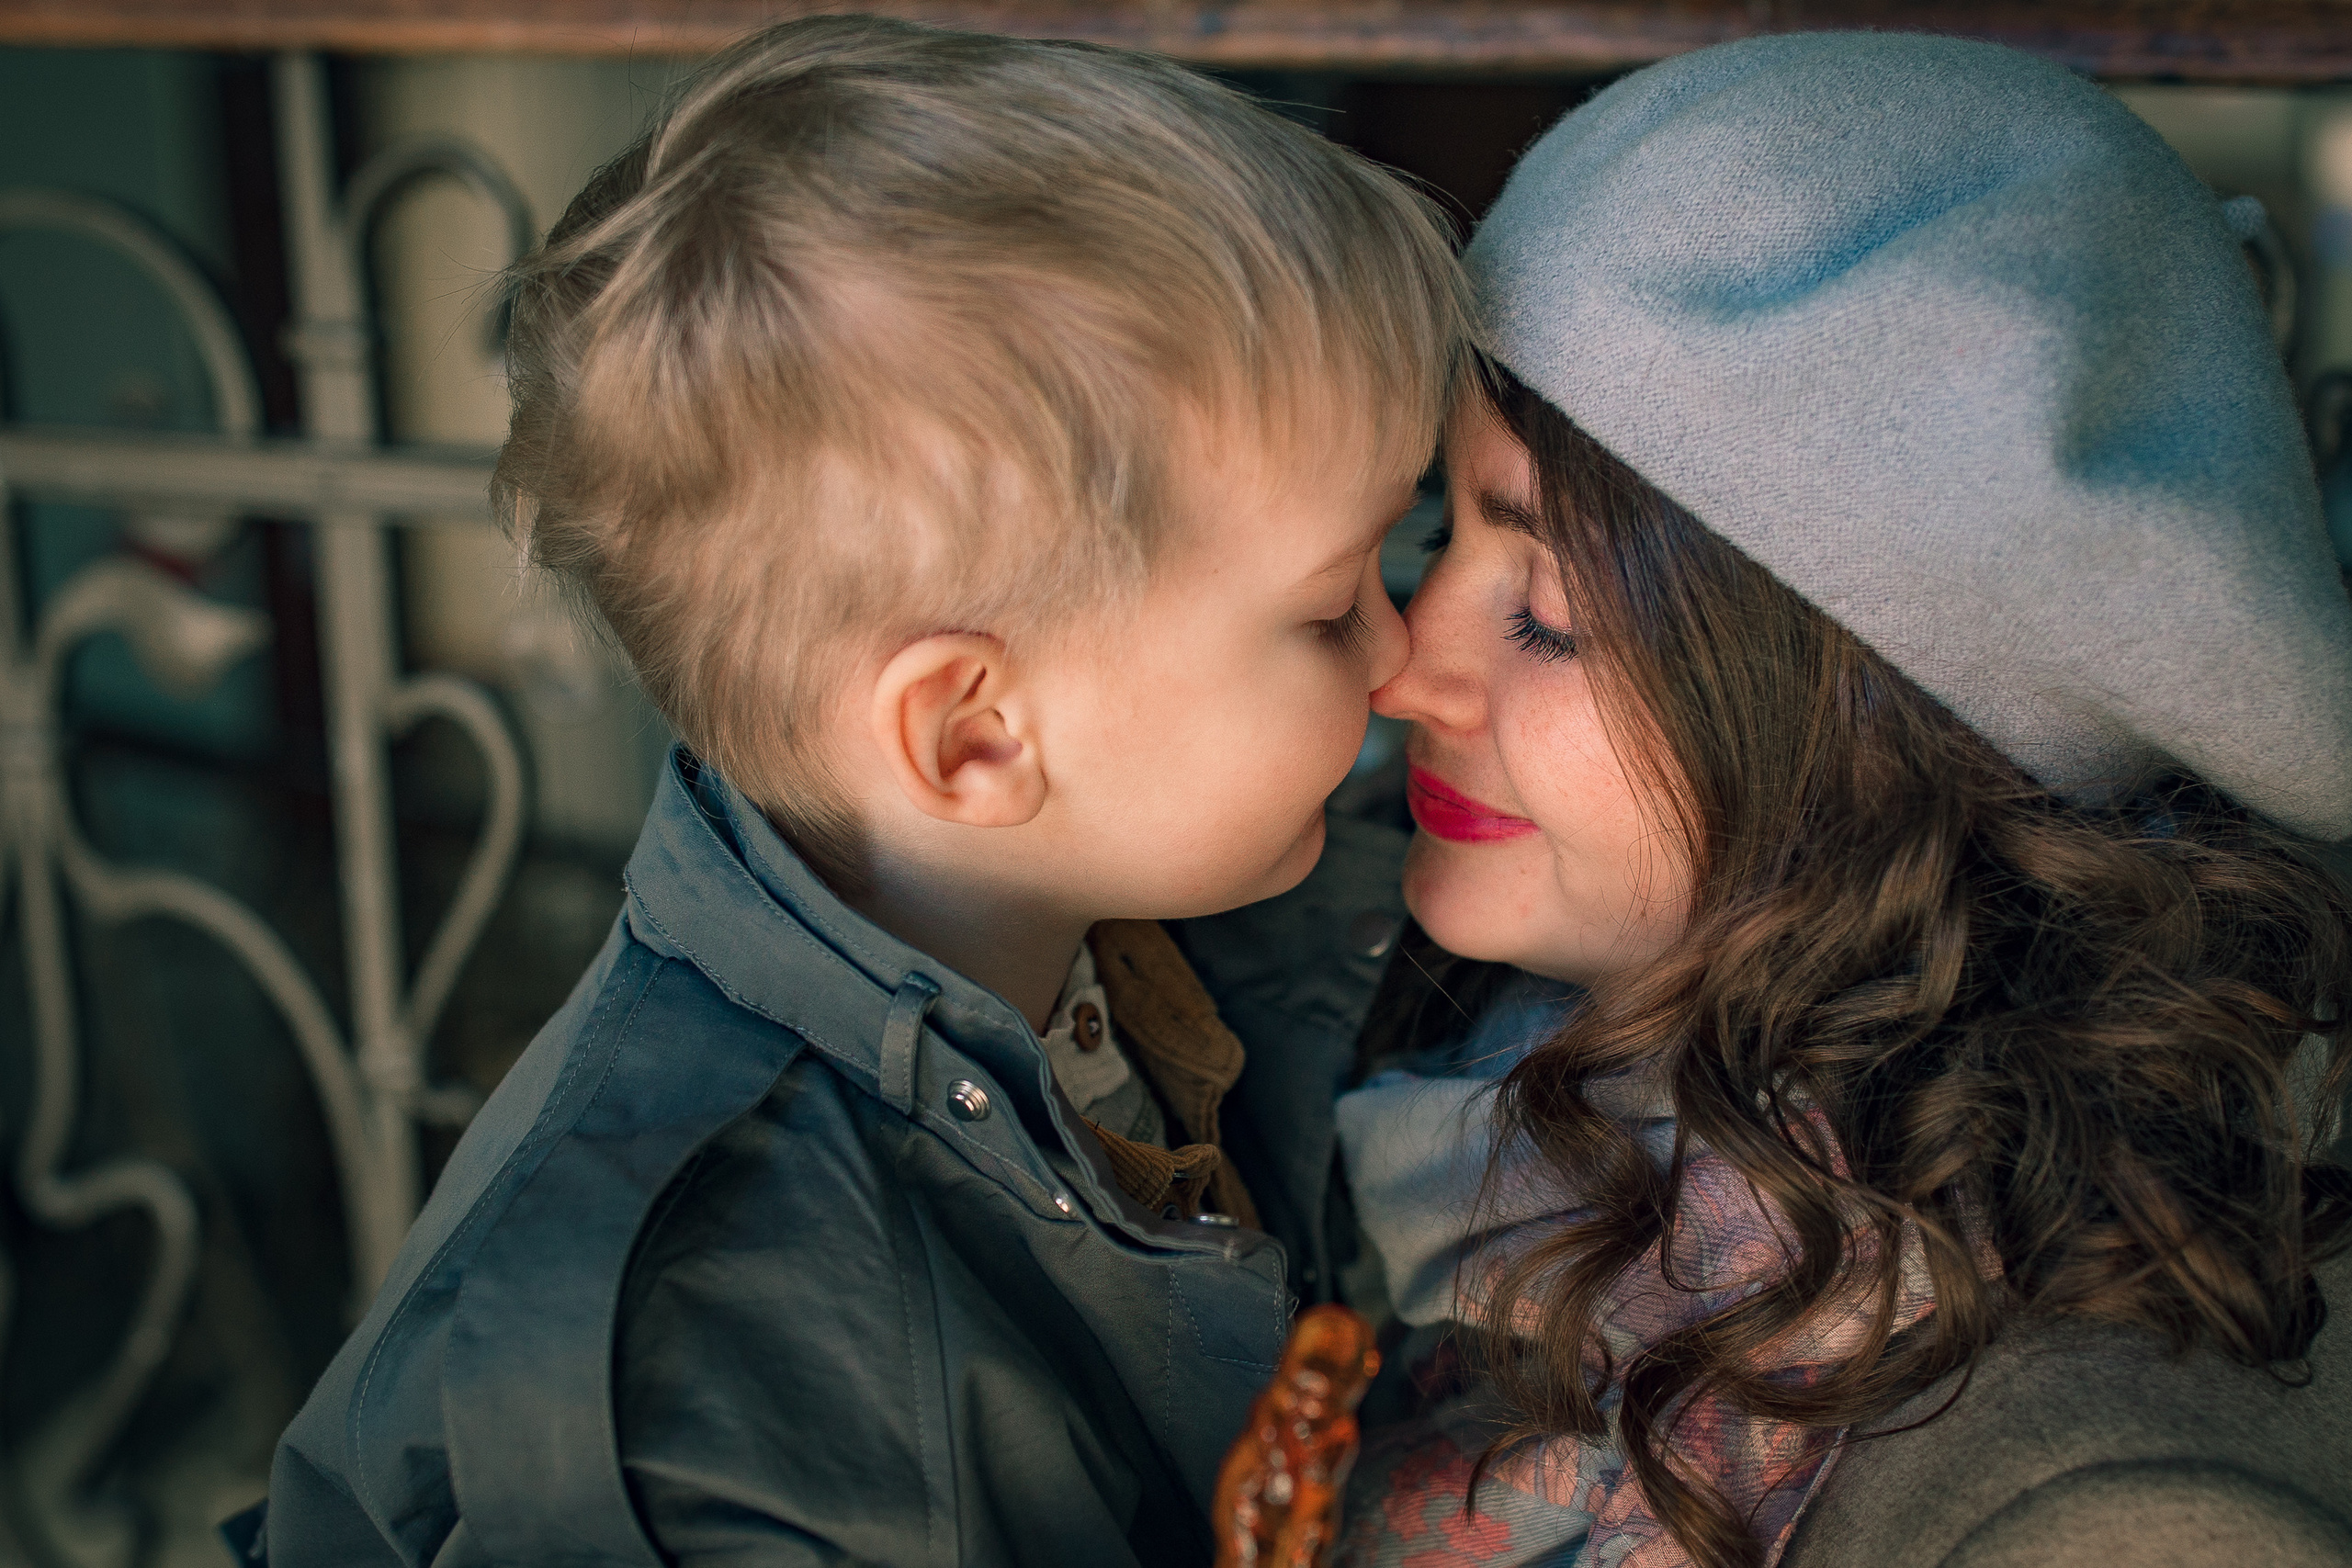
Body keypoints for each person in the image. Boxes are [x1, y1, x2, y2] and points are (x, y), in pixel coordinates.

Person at [238, 17, 1468, 1566]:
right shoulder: (712, 1393)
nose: (1403, 642)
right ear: (974, 736)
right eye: (1328, 600)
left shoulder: (1092, 933)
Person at [1329, 33, 2352, 1568]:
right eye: (1434, 540)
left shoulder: (2120, 1511)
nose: (1405, 667)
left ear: (1882, 733)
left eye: (1544, 611)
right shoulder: (1460, 1076)